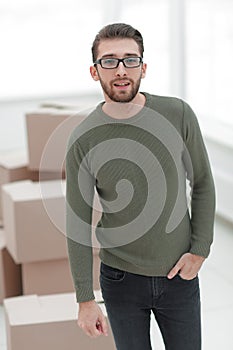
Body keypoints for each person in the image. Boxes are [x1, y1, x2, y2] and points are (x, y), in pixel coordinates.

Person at [65, 23, 215, 350]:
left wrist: (200, 249)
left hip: (179, 276)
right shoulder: (83, 139)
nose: (121, 70)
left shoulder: (178, 114)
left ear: (143, 67)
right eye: (109, 61)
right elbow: (77, 221)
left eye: (130, 60)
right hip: (121, 280)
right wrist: (85, 299)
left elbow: (202, 182)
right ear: (95, 71)